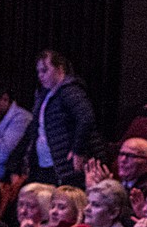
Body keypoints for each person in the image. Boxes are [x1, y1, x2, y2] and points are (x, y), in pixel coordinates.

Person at [13, 49, 105, 186]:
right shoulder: (43, 94)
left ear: (60, 68)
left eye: (45, 70)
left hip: (65, 164)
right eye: (38, 72)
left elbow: (86, 118)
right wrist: (15, 161)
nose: (40, 75)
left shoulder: (70, 90)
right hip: (46, 163)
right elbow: (34, 129)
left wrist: (78, 150)